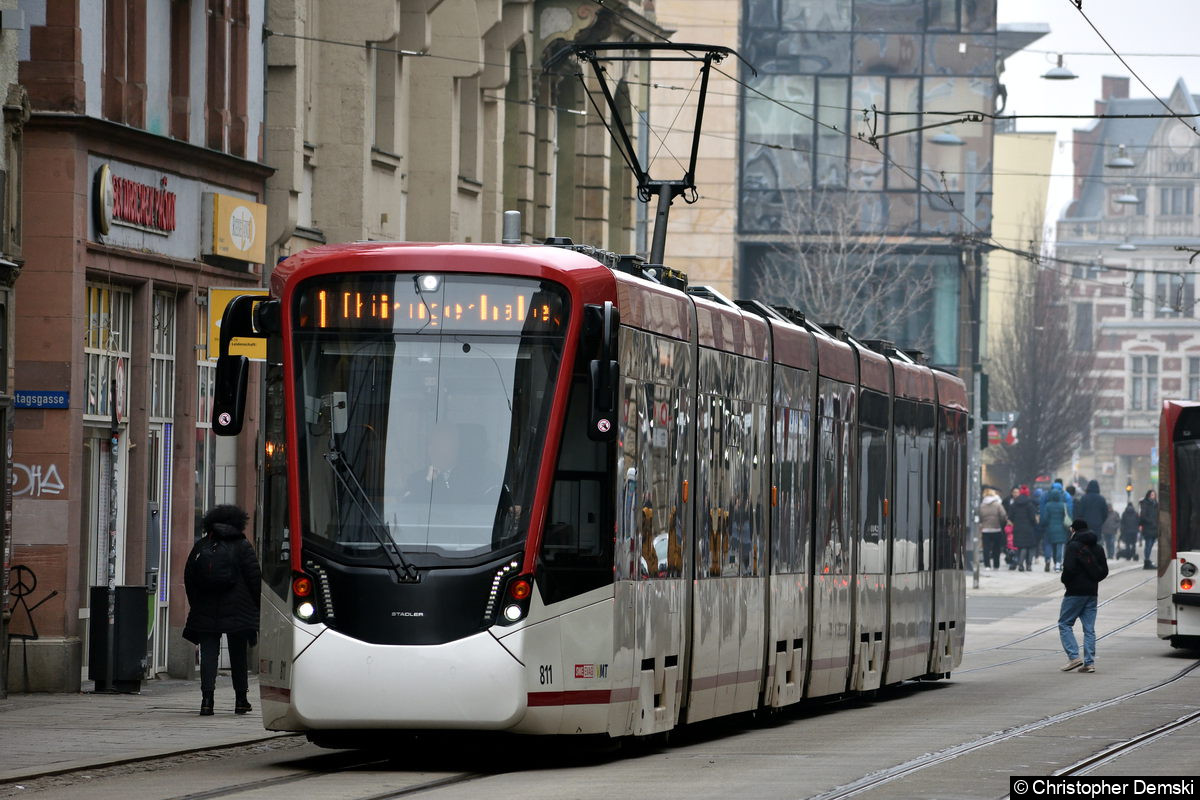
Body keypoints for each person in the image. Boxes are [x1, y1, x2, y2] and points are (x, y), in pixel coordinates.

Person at [183, 504, 261, 716]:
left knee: (209, 655)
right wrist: (257, 608)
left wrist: (196, 603)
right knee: (238, 655)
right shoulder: (243, 546)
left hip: (205, 609)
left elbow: (189, 578)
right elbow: (255, 579)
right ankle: (241, 700)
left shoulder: (201, 546)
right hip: (239, 609)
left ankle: (207, 701)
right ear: (237, 522)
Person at [1059, 519, 1109, 673]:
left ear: (1073, 530)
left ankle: (1074, 657)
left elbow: (1069, 568)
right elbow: (1104, 571)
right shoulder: (1098, 548)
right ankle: (1089, 663)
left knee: (1065, 624)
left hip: (1075, 592)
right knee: (1089, 629)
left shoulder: (1073, 546)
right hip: (1092, 592)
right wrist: (1093, 580)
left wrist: (1066, 582)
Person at [1009, 485, 1039, 572]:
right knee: (1027, 546)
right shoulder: (1029, 504)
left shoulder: (1014, 504)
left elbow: (1010, 517)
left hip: (1017, 528)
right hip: (1028, 528)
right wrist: (1034, 523)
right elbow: (1033, 518)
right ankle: (1026, 565)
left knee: (1019, 546)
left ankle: (1020, 564)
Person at [1077, 480, 1111, 557]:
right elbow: (1105, 513)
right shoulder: (1101, 499)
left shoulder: (1084, 498)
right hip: (1097, 524)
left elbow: (1080, 512)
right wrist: (1101, 521)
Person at [1043, 487, 1071, 572]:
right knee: (1060, 546)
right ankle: (1058, 564)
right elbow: (1068, 516)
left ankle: (1055, 563)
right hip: (1062, 529)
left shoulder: (1048, 505)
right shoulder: (1064, 505)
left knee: (1053, 547)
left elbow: (1045, 518)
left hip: (1051, 529)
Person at [978, 487, 1008, 570]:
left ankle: (987, 565)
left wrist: (982, 523)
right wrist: (1001, 523)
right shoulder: (997, 504)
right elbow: (1003, 515)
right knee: (996, 548)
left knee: (986, 548)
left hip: (985, 529)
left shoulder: (982, 505)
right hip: (996, 529)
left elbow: (979, 516)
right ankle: (996, 565)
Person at [1139, 489, 1159, 570]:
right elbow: (1143, 516)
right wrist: (1151, 522)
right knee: (1148, 544)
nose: (1153, 496)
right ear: (1148, 496)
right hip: (1148, 527)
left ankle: (1148, 560)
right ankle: (1147, 561)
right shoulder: (1145, 504)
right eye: (1151, 495)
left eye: (1154, 495)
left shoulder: (1156, 504)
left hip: (1154, 528)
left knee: (1151, 544)